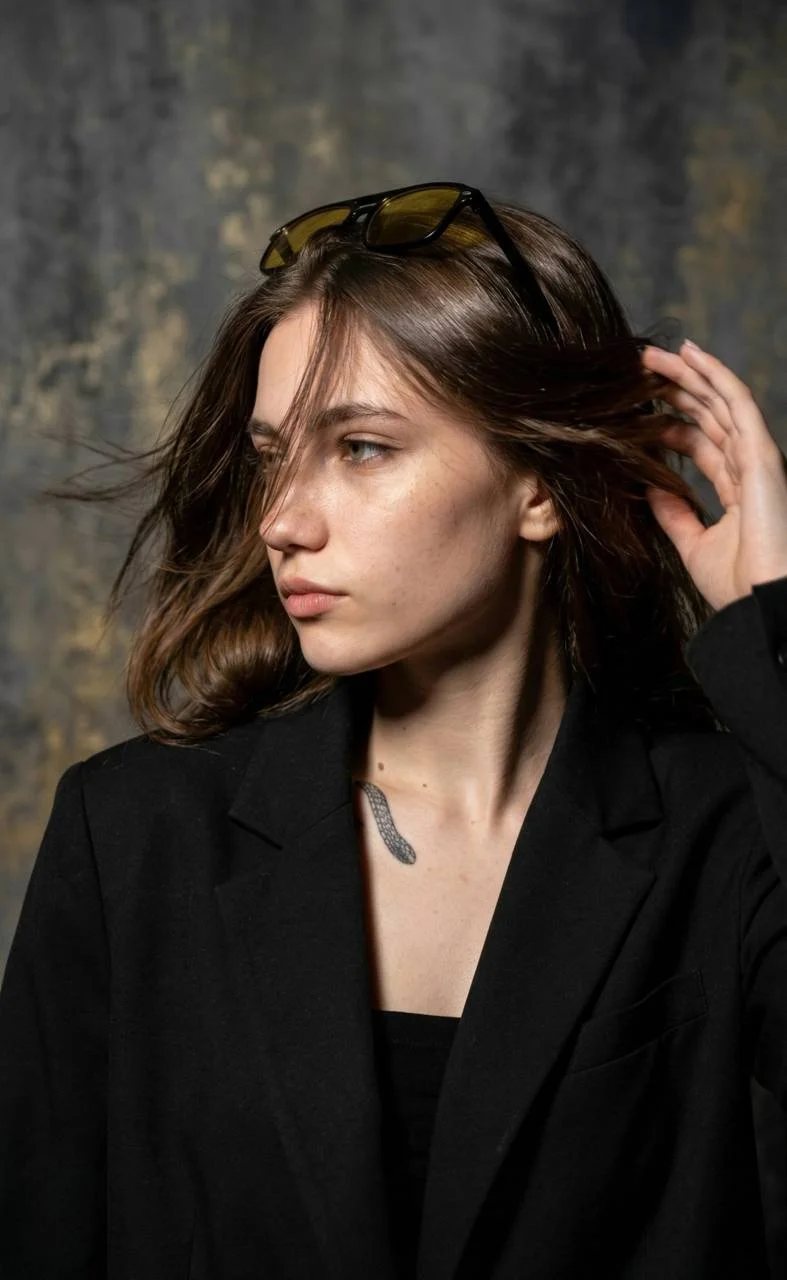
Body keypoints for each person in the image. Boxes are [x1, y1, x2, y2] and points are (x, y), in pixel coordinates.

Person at [1, 181, 786, 1279]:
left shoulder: (727, 828)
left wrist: (765, 626)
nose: (282, 520)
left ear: (540, 487)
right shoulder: (132, 834)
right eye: (271, 455)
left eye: (361, 447)